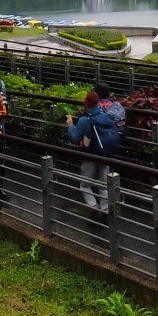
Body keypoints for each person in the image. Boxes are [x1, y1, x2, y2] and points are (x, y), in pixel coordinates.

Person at [66, 91, 122, 220]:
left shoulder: (85, 119)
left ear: (86, 103)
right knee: (103, 184)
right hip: (105, 153)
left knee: (85, 184)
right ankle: (106, 210)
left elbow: (75, 137)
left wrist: (69, 124)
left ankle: (94, 208)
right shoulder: (106, 115)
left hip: (90, 155)